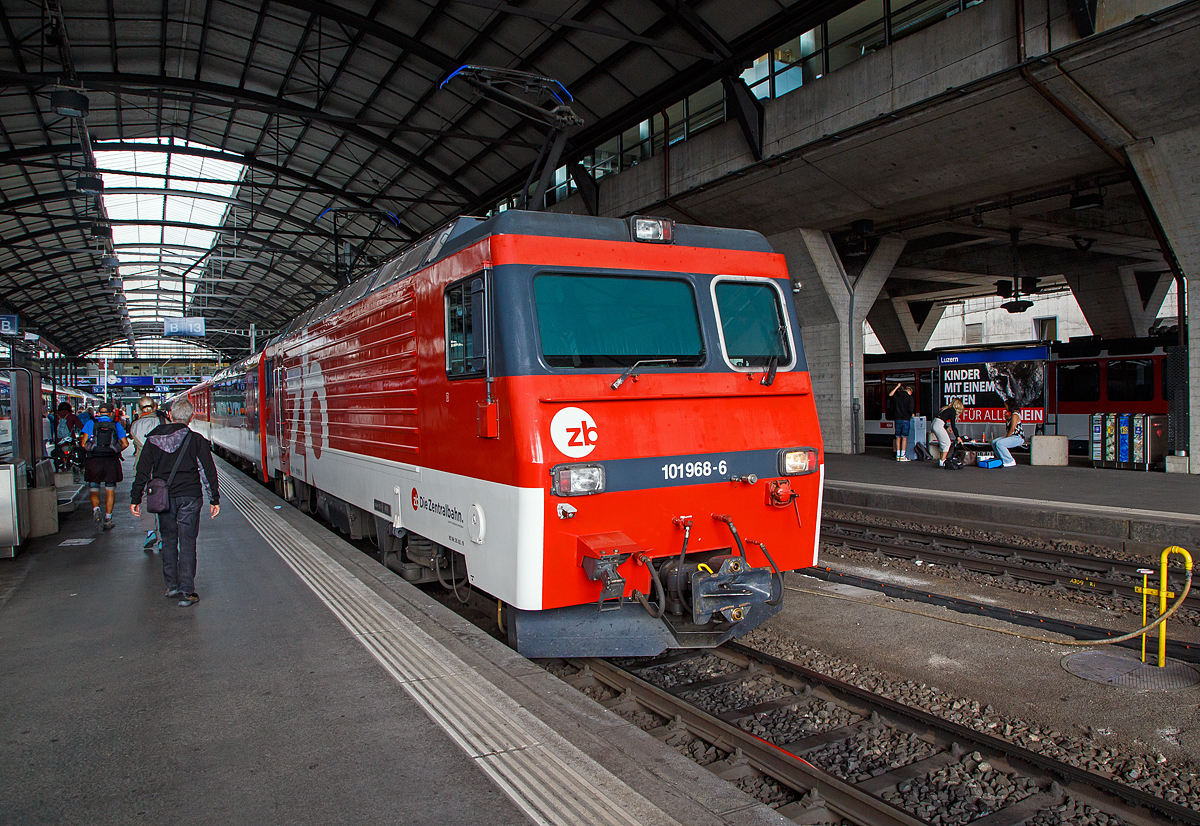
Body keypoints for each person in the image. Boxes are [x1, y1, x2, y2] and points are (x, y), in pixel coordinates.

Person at [129, 397, 220, 607]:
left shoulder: (152, 439)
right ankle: (187, 591)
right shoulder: (196, 440)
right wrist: (213, 498)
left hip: (163, 499)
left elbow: (142, 472)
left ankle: (172, 586)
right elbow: (207, 472)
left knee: (168, 539)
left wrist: (136, 498)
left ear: (170, 416)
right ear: (190, 418)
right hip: (190, 497)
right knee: (187, 541)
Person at [79, 402, 130, 530]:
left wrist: (93, 450)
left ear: (98, 412)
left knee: (94, 488)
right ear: (111, 413)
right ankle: (108, 518)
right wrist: (114, 450)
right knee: (110, 490)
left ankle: (96, 509)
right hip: (111, 461)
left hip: (94, 461)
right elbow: (125, 443)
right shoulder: (116, 425)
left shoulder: (91, 423)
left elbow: (83, 443)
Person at [129, 396, 170, 551]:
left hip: (142, 466)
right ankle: (162, 538)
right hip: (161, 466)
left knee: (146, 498)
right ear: (155, 406)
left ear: (139, 409)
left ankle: (150, 531)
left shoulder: (135, 425)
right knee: (162, 498)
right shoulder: (163, 423)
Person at [932, 398, 965, 467]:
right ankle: (942, 461)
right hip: (939, 425)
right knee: (947, 443)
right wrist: (958, 437)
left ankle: (941, 459)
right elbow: (953, 425)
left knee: (942, 443)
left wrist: (946, 427)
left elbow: (940, 417)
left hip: (935, 423)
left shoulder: (946, 409)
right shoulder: (952, 411)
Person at [991, 400, 1024, 468]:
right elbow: (1008, 428)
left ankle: (1010, 460)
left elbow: (1012, 429)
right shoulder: (1011, 415)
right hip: (1012, 436)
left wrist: (1006, 438)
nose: (1005, 408)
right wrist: (1007, 419)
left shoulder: (1015, 415)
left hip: (1017, 438)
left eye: (1006, 406)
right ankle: (1000, 459)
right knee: (994, 442)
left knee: (1000, 443)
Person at [887, 383, 914, 461]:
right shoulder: (909, 397)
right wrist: (911, 414)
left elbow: (890, 395)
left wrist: (897, 387)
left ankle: (898, 455)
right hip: (905, 419)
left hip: (897, 418)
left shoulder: (897, 396)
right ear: (910, 391)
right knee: (904, 437)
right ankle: (903, 455)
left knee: (897, 437)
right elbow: (910, 409)